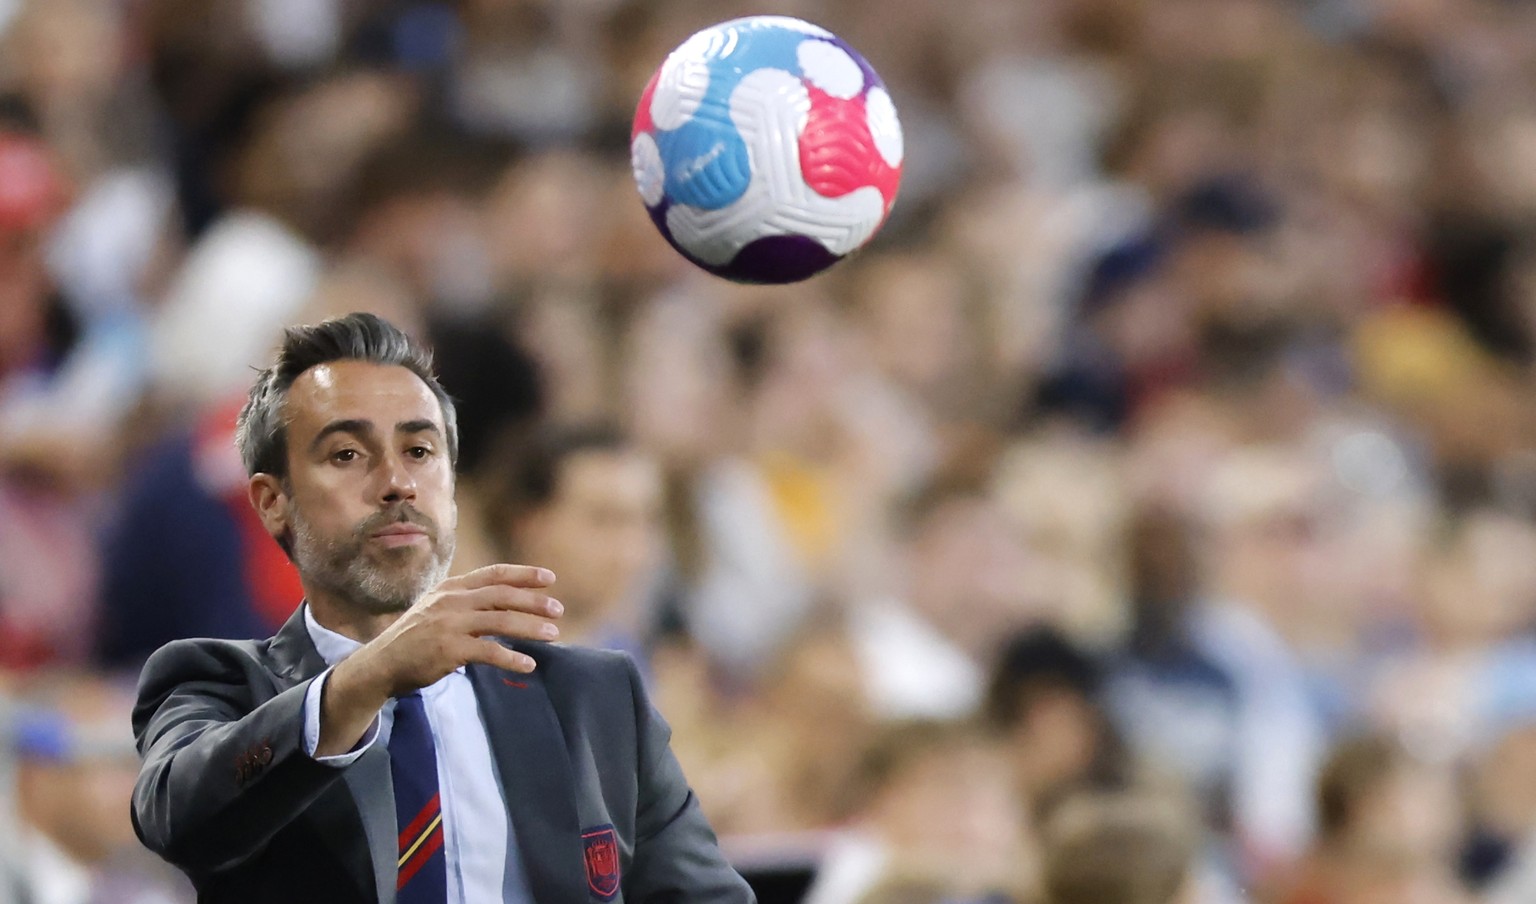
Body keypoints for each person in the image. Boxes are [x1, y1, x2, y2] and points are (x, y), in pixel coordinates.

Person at [130, 312, 754, 903]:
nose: (397, 481)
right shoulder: (217, 684)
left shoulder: (595, 699)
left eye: (420, 452)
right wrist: (371, 674)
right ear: (272, 503)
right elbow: (181, 818)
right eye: (346, 454)